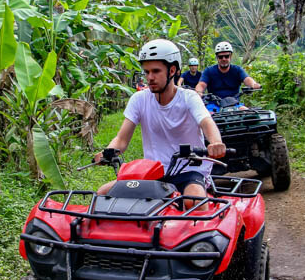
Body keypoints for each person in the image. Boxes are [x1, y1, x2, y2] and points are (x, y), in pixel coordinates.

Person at [96, 39, 226, 204]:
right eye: (146, 72)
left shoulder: (188, 97)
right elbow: (121, 139)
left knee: (193, 202)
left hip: (189, 169)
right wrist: (107, 152)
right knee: (102, 194)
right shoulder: (139, 99)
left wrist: (215, 142)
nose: (150, 77)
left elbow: (206, 122)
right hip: (152, 172)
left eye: (156, 71)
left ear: (172, 70)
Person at [195, 41, 261, 99]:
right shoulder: (209, 71)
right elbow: (201, 84)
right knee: (208, 113)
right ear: (217, 57)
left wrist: (253, 85)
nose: (224, 59)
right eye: (220, 57)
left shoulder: (237, 70)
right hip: (214, 105)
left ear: (231, 56)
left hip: (234, 104)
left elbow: (247, 79)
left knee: (245, 110)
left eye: (226, 56)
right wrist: (198, 92)